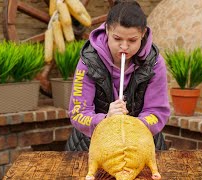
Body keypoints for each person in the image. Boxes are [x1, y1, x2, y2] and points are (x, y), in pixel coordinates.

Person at [65, 0, 170, 151]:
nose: (124, 47)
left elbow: (157, 112)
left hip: (141, 145)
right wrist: (106, 120)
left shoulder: (154, 62)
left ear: (143, 33)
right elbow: (78, 113)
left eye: (132, 40)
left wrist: (133, 126)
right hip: (90, 146)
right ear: (107, 30)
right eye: (117, 39)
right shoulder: (89, 60)